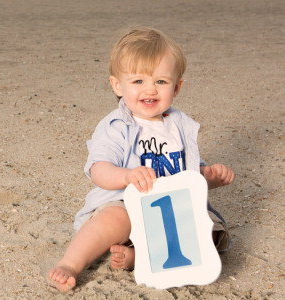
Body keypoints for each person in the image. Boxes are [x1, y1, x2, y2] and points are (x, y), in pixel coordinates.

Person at [47, 27, 235, 292]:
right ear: (117, 85)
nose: (150, 90)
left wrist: (208, 177)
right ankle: (71, 263)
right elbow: (98, 169)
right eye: (138, 82)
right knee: (113, 220)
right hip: (126, 202)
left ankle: (140, 257)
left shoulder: (179, 124)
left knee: (210, 229)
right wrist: (125, 175)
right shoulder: (115, 126)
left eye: (161, 81)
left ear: (177, 87)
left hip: (172, 209)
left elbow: (188, 172)